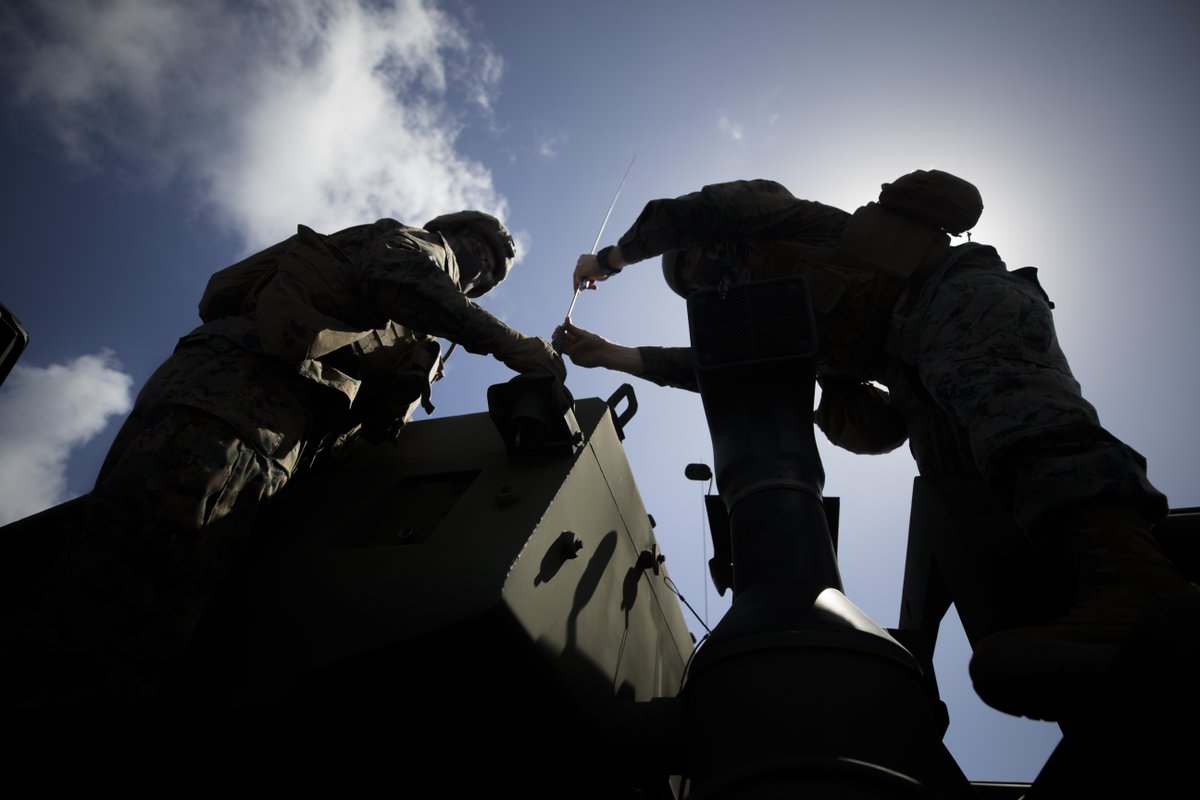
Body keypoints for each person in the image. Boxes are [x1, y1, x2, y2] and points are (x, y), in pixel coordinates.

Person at [553, 174, 1197, 722]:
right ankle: (1081, 634)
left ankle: (1138, 589)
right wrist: (614, 356)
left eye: (689, 264)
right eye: (689, 285)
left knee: (1019, 424)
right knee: (962, 494)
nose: (698, 280)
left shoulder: (782, 219)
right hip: (910, 368)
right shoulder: (775, 308)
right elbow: (724, 364)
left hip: (948, 295)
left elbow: (692, 210)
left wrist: (611, 259)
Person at [0, 211, 565, 755]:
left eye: (492, 274)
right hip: (242, 413)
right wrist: (522, 350)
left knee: (115, 584)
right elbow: (405, 281)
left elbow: (374, 427)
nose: (481, 272)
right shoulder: (414, 249)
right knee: (122, 616)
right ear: (451, 233)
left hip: (236, 415)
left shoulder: (404, 327)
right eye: (480, 252)